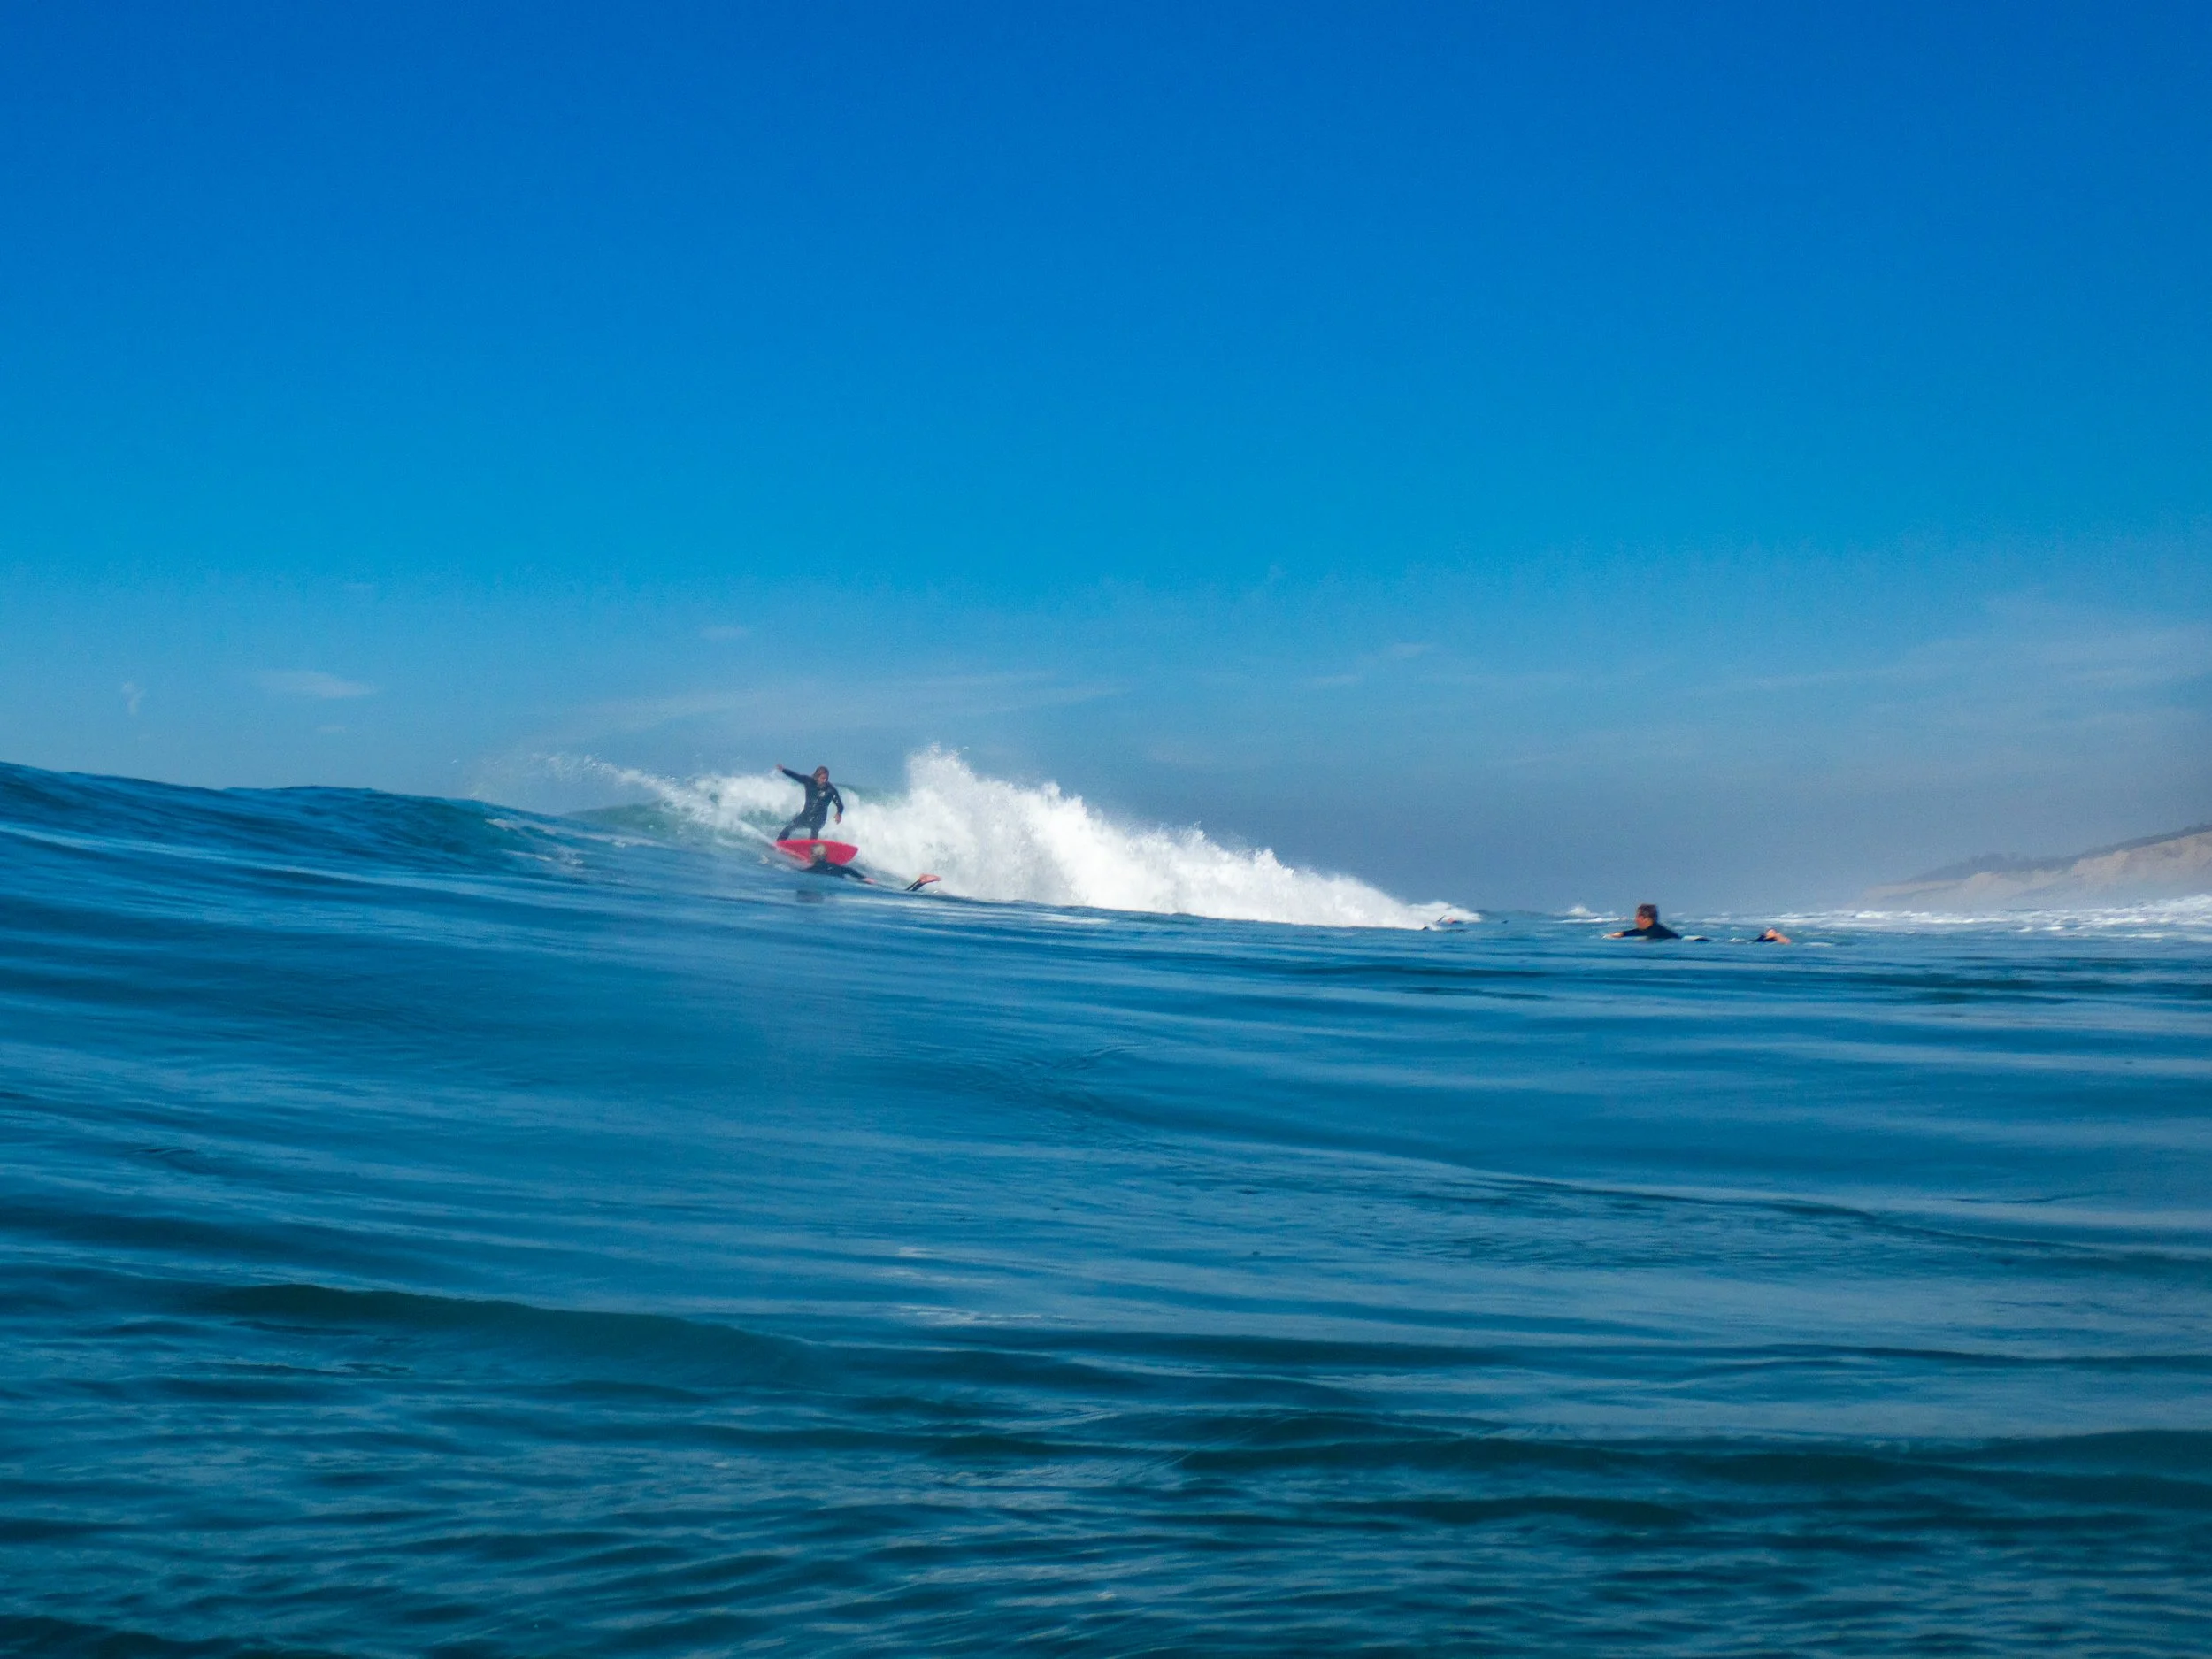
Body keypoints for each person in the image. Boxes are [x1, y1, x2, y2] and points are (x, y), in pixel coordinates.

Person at [776, 764, 844, 842]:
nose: (825, 780)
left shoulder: (830, 790)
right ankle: (779, 843)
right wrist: (784, 770)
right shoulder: (808, 782)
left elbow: (840, 804)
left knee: (815, 829)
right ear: (817, 776)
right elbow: (796, 776)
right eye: (823, 778)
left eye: (826, 778)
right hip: (806, 815)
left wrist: (839, 813)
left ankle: (813, 850)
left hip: (819, 819)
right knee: (790, 827)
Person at [1609, 903, 1681, 941]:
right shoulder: (1655, 929)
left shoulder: (1656, 932)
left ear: (1645, 919)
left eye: (1637, 916)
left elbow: (1644, 934)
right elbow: (1640, 932)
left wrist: (1622, 934)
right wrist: (1623, 934)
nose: (1635, 920)